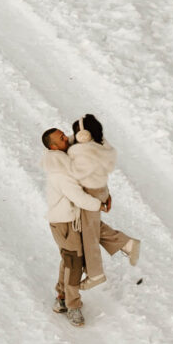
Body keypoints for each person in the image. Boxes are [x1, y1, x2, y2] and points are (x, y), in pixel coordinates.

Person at [64, 113, 138, 288]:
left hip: (89, 192)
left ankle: (95, 274)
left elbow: (73, 175)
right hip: (100, 189)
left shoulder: (81, 153)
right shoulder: (102, 146)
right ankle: (126, 243)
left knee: (89, 234)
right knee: (91, 226)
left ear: (84, 136)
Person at [41, 127, 101, 325]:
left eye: (64, 135)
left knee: (69, 261)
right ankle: (72, 305)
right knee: (74, 264)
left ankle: (61, 298)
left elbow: (76, 139)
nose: (66, 139)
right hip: (65, 223)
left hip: (66, 221)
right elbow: (77, 196)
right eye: (61, 138)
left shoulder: (59, 160)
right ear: (53, 146)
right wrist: (98, 205)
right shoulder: (60, 171)